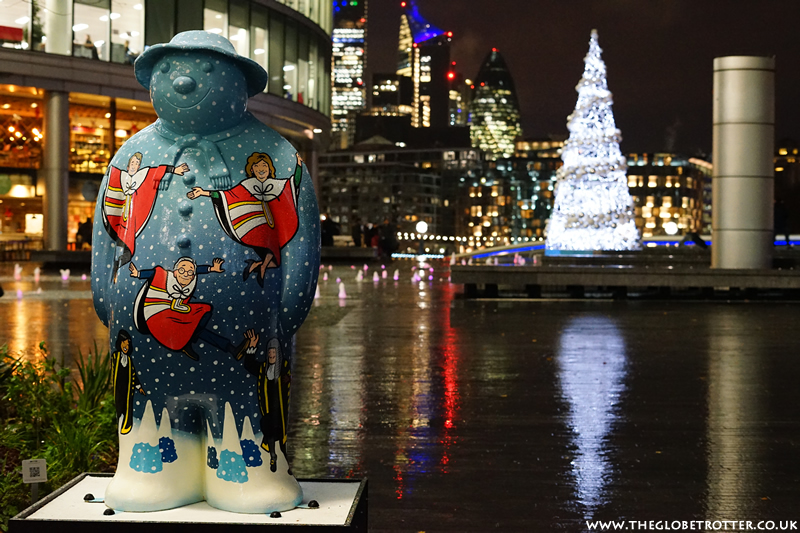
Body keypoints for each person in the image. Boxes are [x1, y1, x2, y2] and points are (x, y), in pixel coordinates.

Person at [187, 152, 302, 286]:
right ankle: (261, 266)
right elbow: (226, 195)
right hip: (254, 226)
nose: (261, 169)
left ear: (270, 169)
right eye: (257, 166)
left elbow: (295, 182)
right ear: (252, 169)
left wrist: (298, 165)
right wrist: (203, 192)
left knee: (274, 256)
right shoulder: (247, 185)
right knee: (269, 250)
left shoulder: (277, 184)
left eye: (264, 165)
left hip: (272, 227)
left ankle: (258, 265)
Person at [130, 257, 248, 361]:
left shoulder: (187, 285)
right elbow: (152, 273)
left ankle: (190, 341)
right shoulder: (164, 276)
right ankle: (230, 348)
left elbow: (198, 269)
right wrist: (138, 274)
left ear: (193, 276)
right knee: (198, 325)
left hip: (173, 311)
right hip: (156, 314)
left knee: (204, 310)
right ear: (175, 272)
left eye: (190, 272)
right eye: (182, 270)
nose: (185, 274)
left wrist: (212, 269)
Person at [102, 152, 190, 279]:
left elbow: (157, 170)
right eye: (132, 163)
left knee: (128, 248)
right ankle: (115, 269)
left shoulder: (142, 175)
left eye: (137, 164)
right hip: (118, 220)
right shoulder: (120, 174)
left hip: (133, 221)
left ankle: (120, 266)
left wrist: (174, 170)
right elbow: (113, 173)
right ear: (127, 166)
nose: (134, 165)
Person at [243, 332, 291, 473]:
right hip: (268, 407)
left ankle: (286, 461)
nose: (271, 356)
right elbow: (248, 364)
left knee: (282, 432)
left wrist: (287, 380)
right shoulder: (263, 368)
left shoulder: (284, 366)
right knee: (269, 432)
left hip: (281, 408)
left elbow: (288, 378)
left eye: (274, 353)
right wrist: (252, 346)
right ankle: (272, 456)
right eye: (269, 353)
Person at [111, 329, 146, 435]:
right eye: (124, 344)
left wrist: (139, 387)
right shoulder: (115, 356)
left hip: (127, 388)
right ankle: (120, 426)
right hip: (119, 388)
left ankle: (126, 427)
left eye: (128, 345)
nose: (126, 347)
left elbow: (133, 374)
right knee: (119, 406)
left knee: (128, 408)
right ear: (120, 343)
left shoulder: (129, 360)